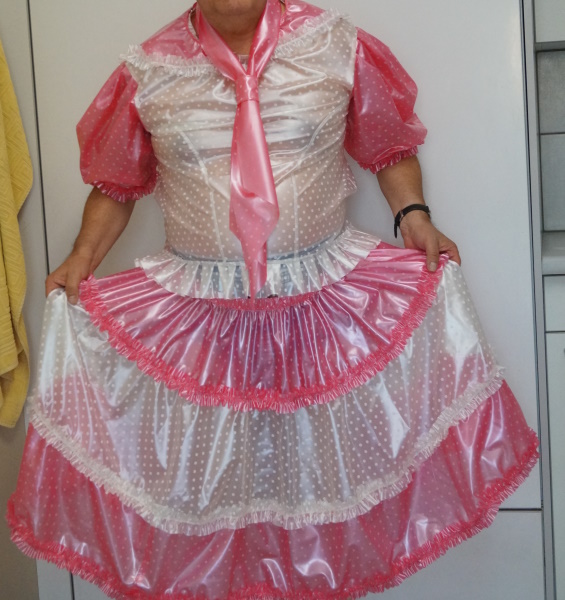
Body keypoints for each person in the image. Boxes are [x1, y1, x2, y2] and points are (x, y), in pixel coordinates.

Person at [7, 1, 539, 598]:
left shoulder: (336, 44)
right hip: (201, 326)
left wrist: (414, 217)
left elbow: (387, 146)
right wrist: (81, 257)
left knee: (322, 481)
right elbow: (117, 185)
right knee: (215, 490)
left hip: (327, 313)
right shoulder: (148, 70)